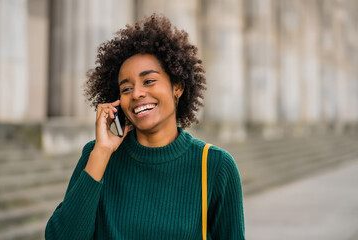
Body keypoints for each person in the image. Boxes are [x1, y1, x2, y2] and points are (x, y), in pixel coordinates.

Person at [45, 13, 245, 240]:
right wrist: (101, 152)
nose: (137, 93)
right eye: (126, 88)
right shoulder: (98, 157)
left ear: (177, 87)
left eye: (149, 81)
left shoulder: (215, 165)